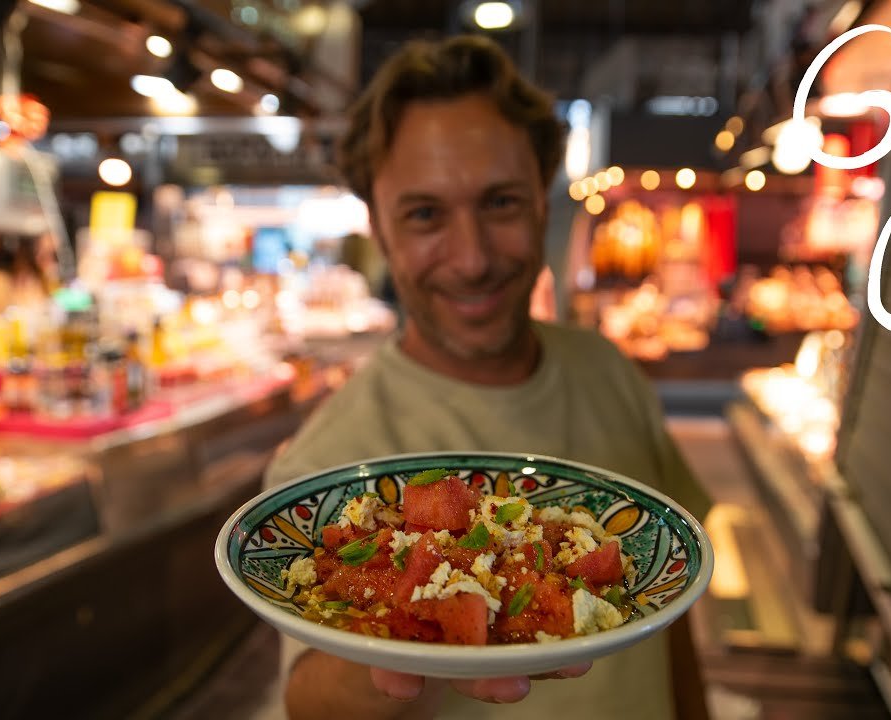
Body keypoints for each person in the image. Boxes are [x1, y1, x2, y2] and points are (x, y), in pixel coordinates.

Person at [261, 35, 712, 720]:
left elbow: (670, 602)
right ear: (381, 234)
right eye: (425, 215)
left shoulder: (607, 370)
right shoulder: (328, 467)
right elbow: (306, 700)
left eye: (500, 202)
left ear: (542, 203)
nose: (471, 259)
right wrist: (397, 642)